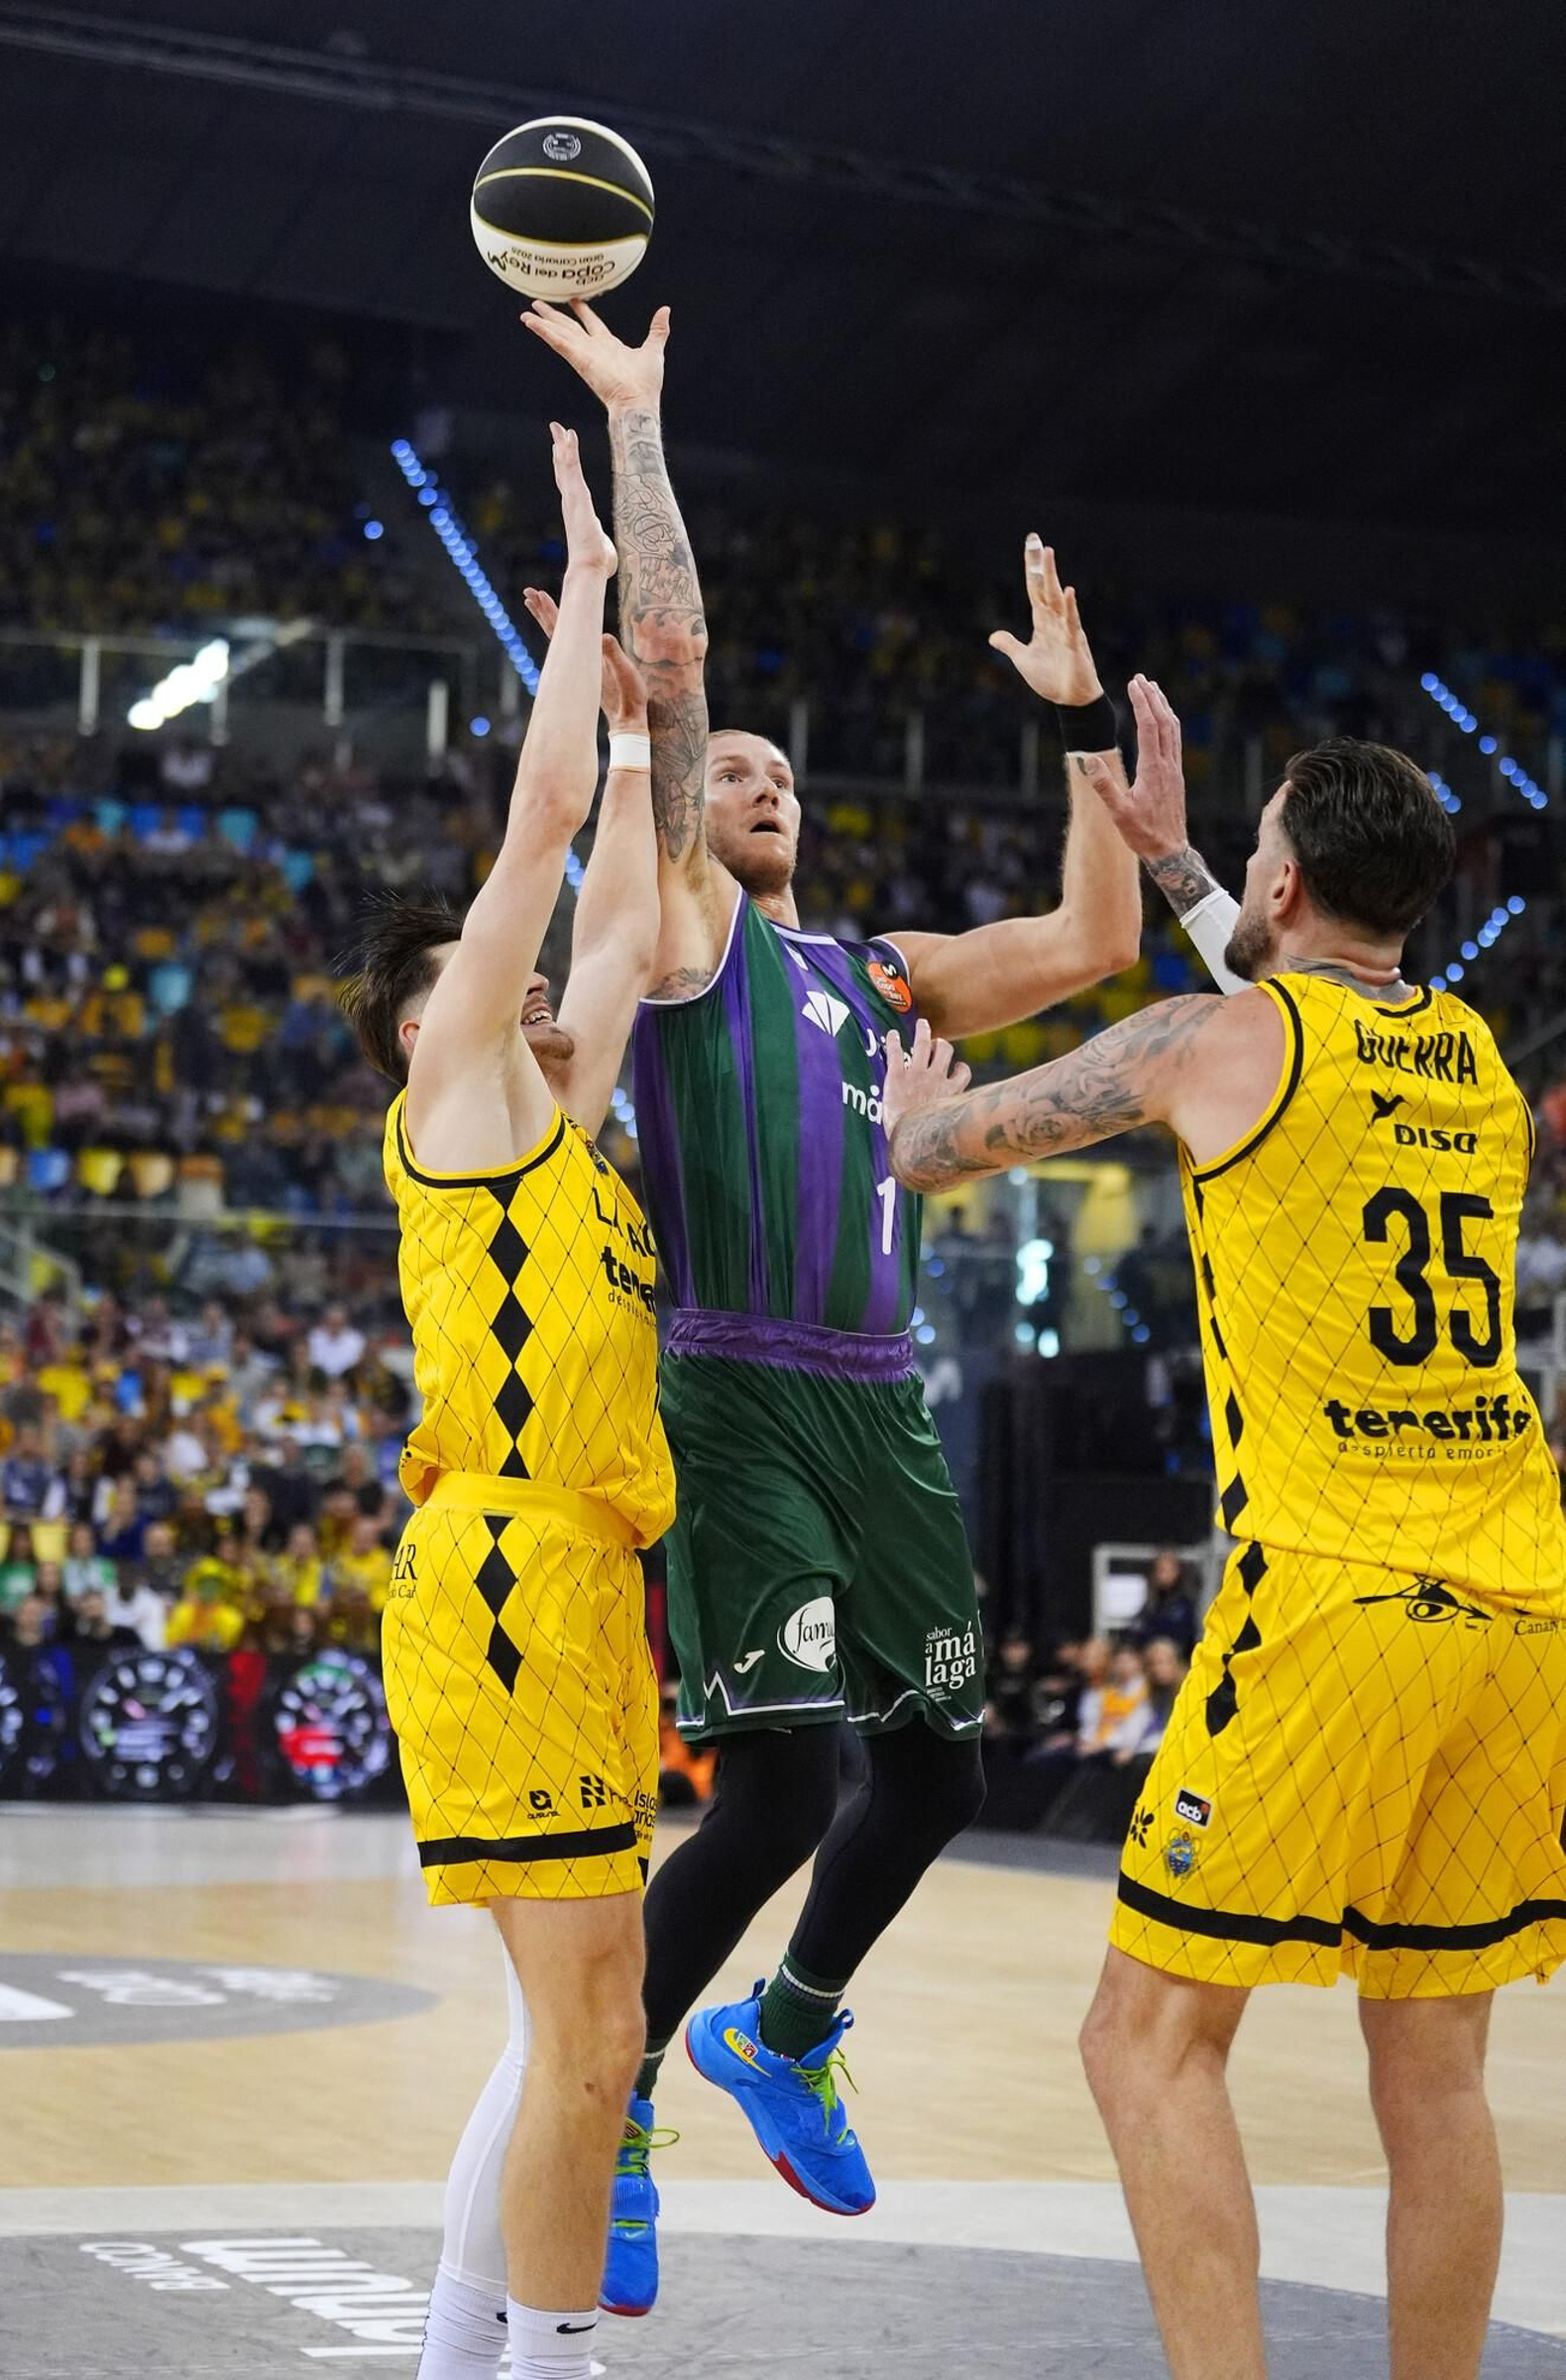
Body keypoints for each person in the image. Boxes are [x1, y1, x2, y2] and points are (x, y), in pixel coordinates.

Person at [523, 293, 1143, 2315]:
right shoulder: (687, 926)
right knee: (778, 1776)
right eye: (742, 769)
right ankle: (613, 2097)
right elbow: (681, 689)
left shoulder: (877, 967)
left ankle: (780, 2031)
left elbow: (1091, 936)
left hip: (883, 1395)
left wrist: (1067, 722)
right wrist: (642, 427)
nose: (766, 780)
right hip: (733, 1387)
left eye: (792, 773)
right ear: (700, 813)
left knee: (943, 1767)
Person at [882, 689, 1566, 2380]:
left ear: (1284, 888)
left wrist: (902, 1102)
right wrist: (1187, 856)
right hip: (1519, 1592)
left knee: (1146, 2041)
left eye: (1255, 854)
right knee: (1438, 2072)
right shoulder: (1476, 1059)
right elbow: (1310, 1015)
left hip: (1334, 1593)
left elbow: (941, 1149)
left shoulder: (1202, 1042)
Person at [337, 424, 673, 2380]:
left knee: (591, 2034)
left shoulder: (569, 1120)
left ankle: (486, 2362)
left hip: (571, 1581)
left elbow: (618, 920)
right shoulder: (458, 1092)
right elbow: (540, 849)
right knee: (587, 2043)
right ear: (433, 1018)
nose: (542, 980)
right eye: (492, 973)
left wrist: (641, 736)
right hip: (497, 1579)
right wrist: (577, 572)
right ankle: (540, 2368)